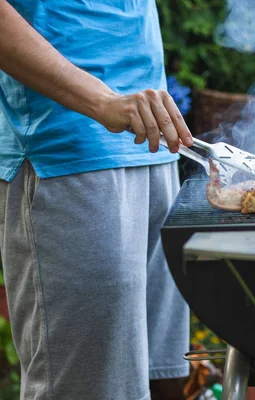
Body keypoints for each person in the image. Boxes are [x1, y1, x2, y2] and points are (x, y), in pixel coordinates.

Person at [0, 0, 194, 398]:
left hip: (152, 139)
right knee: (87, 390)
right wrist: (102, 102)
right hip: (69, 149)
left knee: (165, 381)